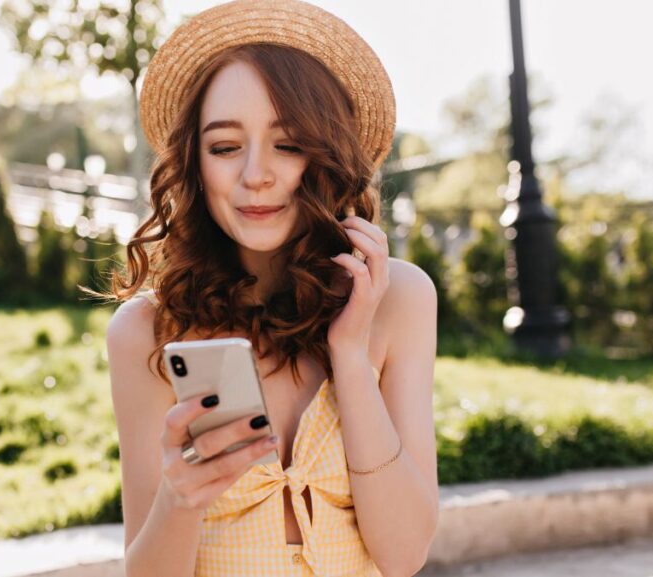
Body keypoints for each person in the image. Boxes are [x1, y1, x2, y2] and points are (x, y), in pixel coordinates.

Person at [103, 1, 438, 575]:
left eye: (288, 144)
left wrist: (351, 356)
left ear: (327, 155)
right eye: (225, 147)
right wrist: (180, 497)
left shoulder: (398, 300)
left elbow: (404, 555)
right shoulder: (147, 333)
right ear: (194, 164)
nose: (256, 173)